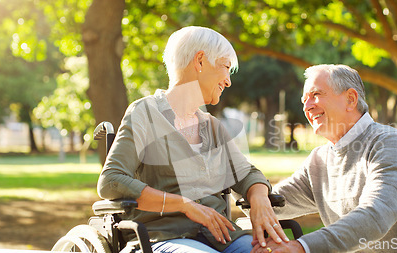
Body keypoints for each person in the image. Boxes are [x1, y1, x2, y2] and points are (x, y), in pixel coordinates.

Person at [97, 26, 288, 253]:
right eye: (226, 67)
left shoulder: (212, 126)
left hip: (223, 237)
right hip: (164, 237)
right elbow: (111, 180)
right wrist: (184, 205)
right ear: (199, 61)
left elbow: (246, 173)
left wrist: (259, 198)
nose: (228, 81)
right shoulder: (145, 113)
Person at [252, 64, 397, 253]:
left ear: (351, 99)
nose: (307, 107)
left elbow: (376, 216)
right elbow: (270, 205)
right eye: (304, 101)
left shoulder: (389, 143)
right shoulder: (319, 160)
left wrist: (303, 247)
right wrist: (243, 181)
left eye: (316, 95)